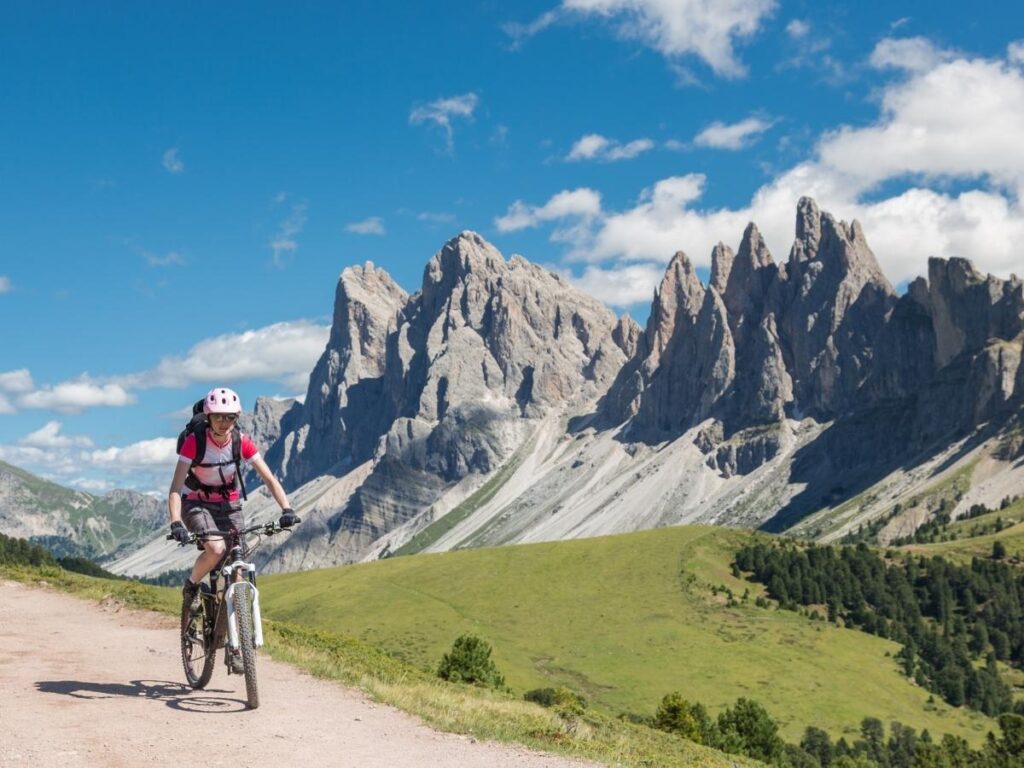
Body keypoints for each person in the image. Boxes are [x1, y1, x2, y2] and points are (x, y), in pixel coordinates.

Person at [167, 386, 299, 614]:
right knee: (217, 549)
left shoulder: (241, 441)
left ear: (236, 418)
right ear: (208, 417)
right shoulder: (195, 442)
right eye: (218, 416)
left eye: (230, 417)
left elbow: (269, 478)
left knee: (238, 560)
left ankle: (235, 634)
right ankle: (192, 587)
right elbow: (176, 487)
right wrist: (176, 522)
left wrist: (287, 509)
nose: (224, 422)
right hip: (197, 503)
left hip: (230, 504)